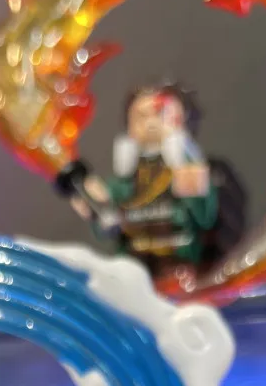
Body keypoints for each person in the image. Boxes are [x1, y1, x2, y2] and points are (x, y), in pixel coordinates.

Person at [70, 85, 219, 277]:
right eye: (141, 116)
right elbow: (107, 226)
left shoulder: (187, 166)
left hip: (181, 265)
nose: (150, 123)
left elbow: (204, 216)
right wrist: (95, 204)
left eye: (159, 114)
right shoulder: (125, 181)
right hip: (133, 266)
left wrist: (182, 161)